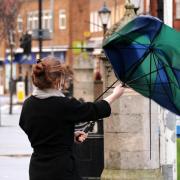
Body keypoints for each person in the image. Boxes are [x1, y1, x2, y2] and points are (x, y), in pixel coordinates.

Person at [19, 56, 125, 180]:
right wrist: (114, 95)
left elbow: (33, 127)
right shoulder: (63, 104)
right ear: (56, 79)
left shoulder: (28, 105)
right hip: (61, 170)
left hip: (37, 170)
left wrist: (67, 135)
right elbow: (93, 110)